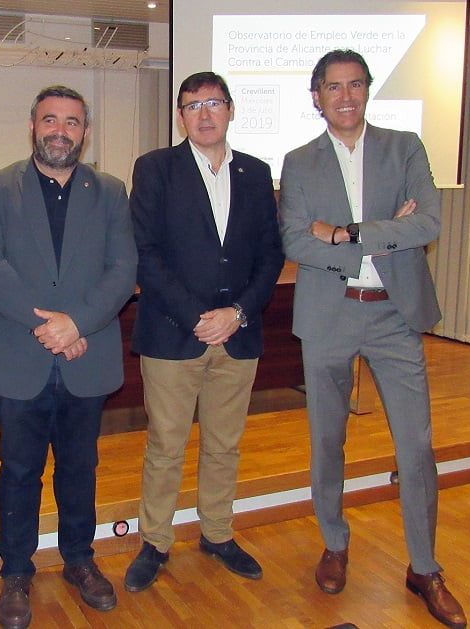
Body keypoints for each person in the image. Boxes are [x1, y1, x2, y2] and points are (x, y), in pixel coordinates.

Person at [278, 50, 466, 629]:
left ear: (367, 89)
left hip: (394, 316)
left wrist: (346, 232)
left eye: (355, 84)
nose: (346, 96)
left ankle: (425, 567)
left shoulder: (404, 147)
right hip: (328, 316)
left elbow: (428, 222)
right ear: (317, 96)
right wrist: (389, 231)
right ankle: (334, 543)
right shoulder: (299, 161)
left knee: (416, 447)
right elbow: (295, 242)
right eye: (333, 87)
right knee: (327, 441)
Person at [0, 85, 137, 629]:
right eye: (50, 120)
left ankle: (79, 560)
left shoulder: (110, 191)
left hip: (87, 355)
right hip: (21, 354)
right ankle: (16, 572)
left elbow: (122, 269)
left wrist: (78, 324)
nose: (60, 131)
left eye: (71, 122)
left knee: (80, 466)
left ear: (85, 131)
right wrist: (54, 328)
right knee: (19, 470)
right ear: (32, 126)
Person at [124, 71, 284, 593]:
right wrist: (198, 317)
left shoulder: (257, 173)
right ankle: (155, 542)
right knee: (166, 446)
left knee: (224, 445)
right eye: (193, 106)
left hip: (238, 334)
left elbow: (270, 255)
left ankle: (217, 533)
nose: (205, 114)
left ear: (231, 109)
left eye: (214, 103)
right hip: (175, 334)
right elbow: (144, 253)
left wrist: (237, 312)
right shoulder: (156, 169)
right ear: (181, 117)